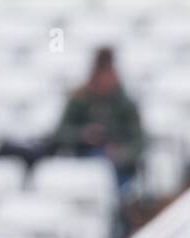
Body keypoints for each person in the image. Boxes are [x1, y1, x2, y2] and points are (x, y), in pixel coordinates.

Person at [53, 47, 144, 193]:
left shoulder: (125, 105)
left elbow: (139, 142)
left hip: (118, 168)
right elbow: (59, 133)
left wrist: (121, 154)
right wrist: (83, 135)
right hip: (83, 162)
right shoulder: (80, 100)